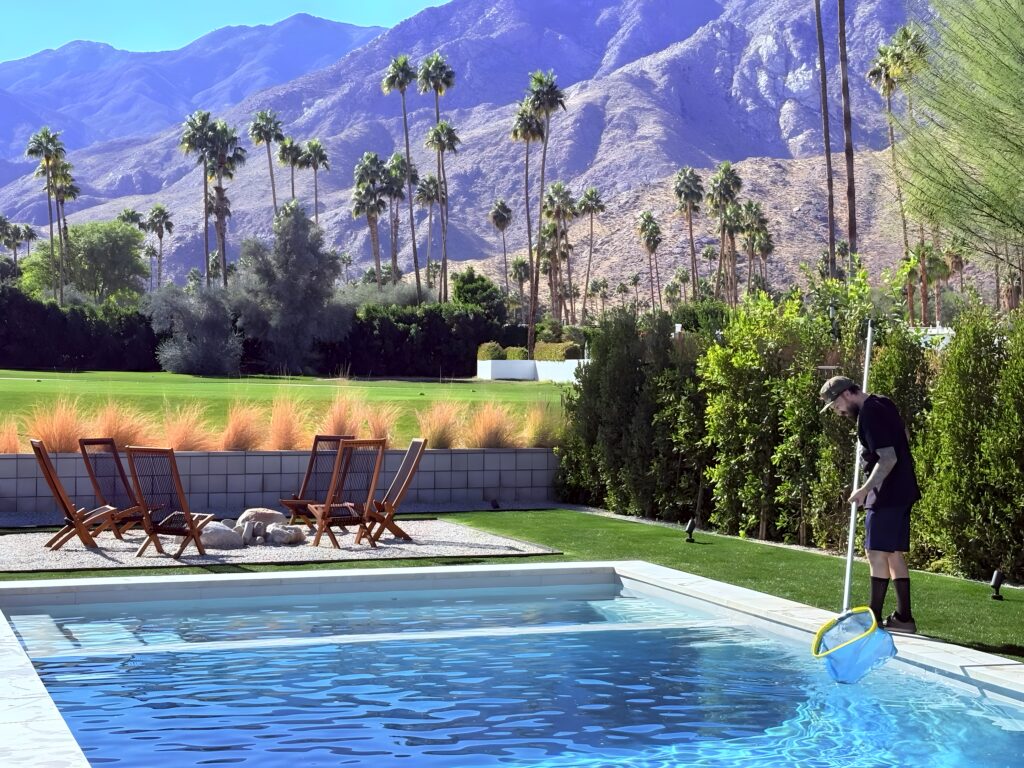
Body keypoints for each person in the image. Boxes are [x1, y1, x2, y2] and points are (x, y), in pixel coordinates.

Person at [820, 375, 921, 633]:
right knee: (892, 553)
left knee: (875, 553)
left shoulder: (869, 414)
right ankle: (903, 619)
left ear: (846, 394)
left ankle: (873, 619)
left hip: (886, 492)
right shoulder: (883, 402)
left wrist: (865, 490)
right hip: (903, 489)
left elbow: (888, 458)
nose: (838, 412)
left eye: (836, 406)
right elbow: (904, 435)